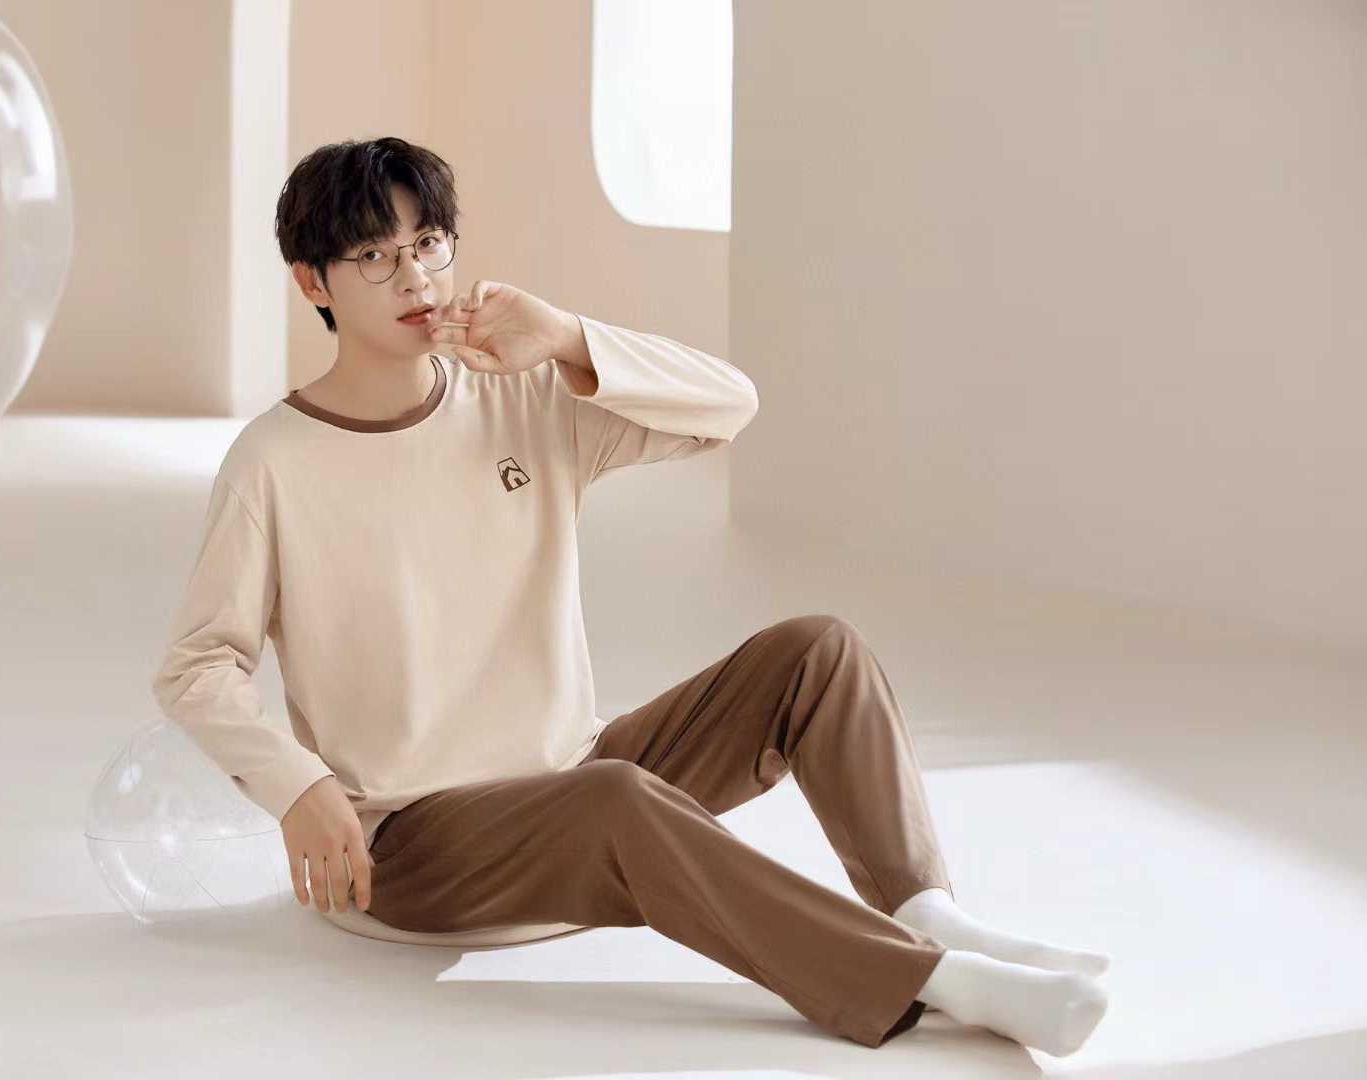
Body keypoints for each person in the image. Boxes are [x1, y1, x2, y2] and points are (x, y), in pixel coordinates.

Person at [150, 136, 1110, 1054]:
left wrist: (568, 338)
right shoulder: (273, 462)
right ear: (312, 282)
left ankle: (928, 911)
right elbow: (199, 666)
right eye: (373, 255)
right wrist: (299, 787)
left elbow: (729, 407)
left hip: (575, 777)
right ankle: (928, 979)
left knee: (816, 653)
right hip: (413, 846)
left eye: (428, 243)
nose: (414, 279)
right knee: (613, 799)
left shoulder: (524, 397)